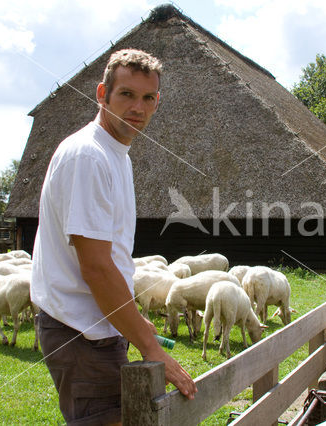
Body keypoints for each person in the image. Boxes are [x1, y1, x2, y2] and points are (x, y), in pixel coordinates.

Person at [31, 49, 197, 425]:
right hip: (81, 332)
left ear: (158, 102)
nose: (137, 107)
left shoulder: (115, 155)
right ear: (102, 93)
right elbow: (96, 268)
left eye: (148, 98)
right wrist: (151, 346)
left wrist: (136, 327)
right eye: (126, 95)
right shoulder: (89, 157)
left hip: (99, 327)